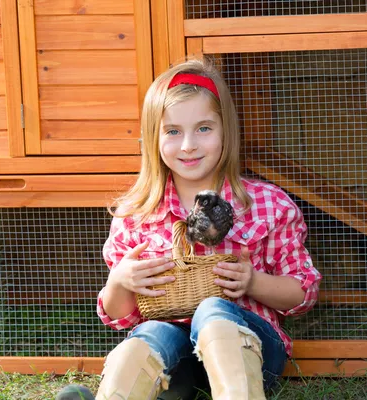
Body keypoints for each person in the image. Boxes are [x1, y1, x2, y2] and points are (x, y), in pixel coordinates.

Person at [56, 58, 322, 400]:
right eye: (172, 131)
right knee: (150, 331)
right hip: (174, 366)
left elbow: (303, 293)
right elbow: (120, 316)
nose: (188, 145)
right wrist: (120, 280)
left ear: (227, 129)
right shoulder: (136, 213)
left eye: (204, 128)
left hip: (253, 355)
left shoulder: (266, 204)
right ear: (153, 137)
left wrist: (253, 282)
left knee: (213, 309)